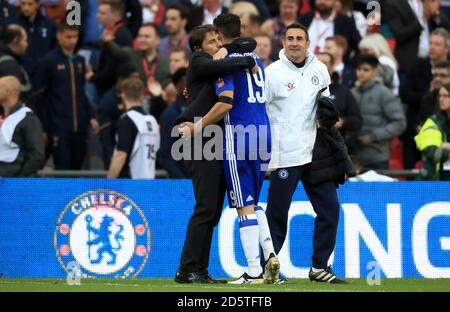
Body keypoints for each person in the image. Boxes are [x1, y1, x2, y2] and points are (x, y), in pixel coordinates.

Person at [179, 13, 280, 285]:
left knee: (241, 206)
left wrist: (195, 126)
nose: (214, 45)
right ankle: (270, 259)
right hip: (262, 132)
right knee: (250, 202)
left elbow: (225, 102)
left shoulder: (225, 63)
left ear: (221, 37)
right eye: (209, 42)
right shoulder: (256, 60)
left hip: (239, 134)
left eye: (216, 39)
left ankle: (252, 271)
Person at [264, 22, 346, 284]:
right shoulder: (271, 73)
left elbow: (327, 103)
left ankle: (320, 267)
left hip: (316, 153)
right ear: (283, 42)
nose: (295, 42)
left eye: (300, 38)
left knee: (330, 209)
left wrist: (329, 114)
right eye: (290, 38)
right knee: (277, 213)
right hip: (285, 153)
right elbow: (260, 111)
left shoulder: (320, 69)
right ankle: (269, 268)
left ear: (309, 43)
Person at [33, 23, 99, 170]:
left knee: (77, 169)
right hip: (58, 126)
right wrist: (43, 127)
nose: (72, 41)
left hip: (80, 126)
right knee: (63, 169)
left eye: (75, 37)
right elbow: (39, 97)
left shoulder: (79, 61)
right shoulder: (48, 61)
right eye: (68, 36)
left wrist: (91, 115)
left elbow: (82, 92)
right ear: (59, 36)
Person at [351, 54, 406, 170]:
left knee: (377, 189)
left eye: (366, 70)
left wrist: (374, 136)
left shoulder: (384, 93)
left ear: (375, 72)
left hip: (377, 157)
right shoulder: (352, 93)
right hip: (353, 157)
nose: (361, 73)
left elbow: (400, 123)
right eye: (359, 69)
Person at [107, 77, 160, 179]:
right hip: (149, 181)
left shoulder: (127, 119)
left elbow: (120, 155)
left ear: (123, 95)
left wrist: (109, 183)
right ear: (142, 96)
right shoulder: (152, 121)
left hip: (131, 185)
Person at [316, 51, 361, 154]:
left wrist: (342, 122)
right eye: (316, 63)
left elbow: (357, 120)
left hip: (335, 149)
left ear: (332, 67)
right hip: (308, 149)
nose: (318, 67)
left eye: (323, 63)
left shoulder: (343, 91)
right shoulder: (304, 90)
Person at [0, 76, 45, 177]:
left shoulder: (27, 118)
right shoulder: (4, 115)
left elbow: (37, 154)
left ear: (8, 92)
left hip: (13, 182)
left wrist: (20, 179)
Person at [10, 0, 57, 80]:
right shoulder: (13, 26)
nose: (26, 8)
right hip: (21, 74)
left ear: (38, 4)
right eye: (23, 4)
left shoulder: (49, 24)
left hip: (44, 75)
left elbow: (54, 48)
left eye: (30, 4)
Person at [415, 83, 450, 180]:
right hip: (433, 181)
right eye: (440, 95)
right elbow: (431, 152)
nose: (441, 99)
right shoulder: (432, 122)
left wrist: (445, 145)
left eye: (446, 96)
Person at [0, 24, 32, 105]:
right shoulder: (9, 66)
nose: (26, 44)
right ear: (15, 41)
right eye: (25, 40)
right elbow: (12, 101)